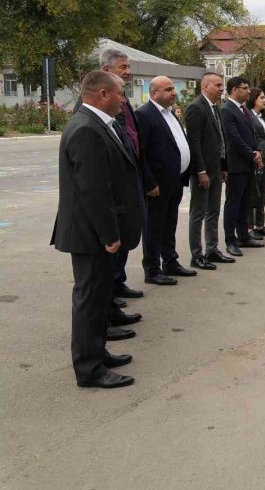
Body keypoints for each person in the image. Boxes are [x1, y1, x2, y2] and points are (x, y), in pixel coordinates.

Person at [51, 71, 143, 388]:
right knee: (90, 301)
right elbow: (93, 190)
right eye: (120, 93)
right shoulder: (86, 129)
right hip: (92, 235)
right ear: (102, 94)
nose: (123, 99)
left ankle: (98, 353)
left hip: (97, 232)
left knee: (100, 298)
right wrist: (110, 235)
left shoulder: (99, 123)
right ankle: (90, 370)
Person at [134, 76, 196, 285]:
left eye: (173, 89)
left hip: (175, 180)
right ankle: (152, 268)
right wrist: (149, 183)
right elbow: (140, 152)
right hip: (157, 185)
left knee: (169, 223)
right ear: (154, 93)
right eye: (168, 89)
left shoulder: (170, 113)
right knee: (153, 226)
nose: (174, 92)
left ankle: (170, 261)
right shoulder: (144, 115)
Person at [185, 72, 233, 271]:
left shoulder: (216, 109)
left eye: (222, 85)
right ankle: (196, 255)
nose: (222, 89)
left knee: (213, 211)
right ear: (205, 86)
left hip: (216, 169)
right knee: (198, 213)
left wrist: (223, 167)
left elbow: (221, 140)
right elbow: (194, 143)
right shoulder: (196, 108)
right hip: (203, 171)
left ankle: (212, 249)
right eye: (218, 85)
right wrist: (200, 171)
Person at [220, 76, 264, 257]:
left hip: (248, 165)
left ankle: (244, 236)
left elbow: (250, 135)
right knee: (233, 203)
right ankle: (231, 240)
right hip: (236, 165)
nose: (248, 91)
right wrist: (252, 154)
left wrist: (257, 151)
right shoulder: (227, 110)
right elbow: (233, 138)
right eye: (244, 88)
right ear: (234, 90)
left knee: (246, 202)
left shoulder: (243, 109)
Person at [247, 88, 265, 239]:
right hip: (255, 158)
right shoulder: (248, 116)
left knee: (263, 191)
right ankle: (249, 226)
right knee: (254, 192)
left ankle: (260, 224)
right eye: (261, 98)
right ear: (253, 99)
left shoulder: (263, 117)